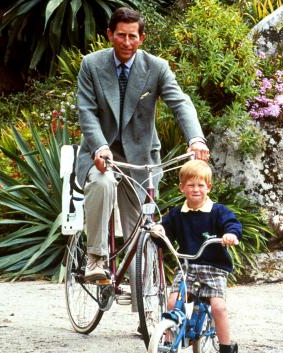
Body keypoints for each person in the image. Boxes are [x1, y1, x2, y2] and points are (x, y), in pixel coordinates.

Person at [75, 7, 209, 285]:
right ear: (110, 34)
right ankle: (96, 258)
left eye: (132, 36)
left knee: (142, 230)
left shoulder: (156, 67)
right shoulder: (91, 64)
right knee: (102, 182)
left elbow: (180, 103)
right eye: (121, 35)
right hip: (101, 153)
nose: (126, 42)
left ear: (142, 38)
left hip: (140, 158)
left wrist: (196, 139)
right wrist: (99, 146)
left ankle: (144, 311)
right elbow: (86, 112)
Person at [153, 160, 241, 353]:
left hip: (214, 267)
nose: (196, 189)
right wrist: (159, 230)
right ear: (182, 188)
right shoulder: (177, 214)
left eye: (200, 185)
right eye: (191, 185)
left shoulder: (217, 212)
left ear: (208, 187)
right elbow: (165, 231)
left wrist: (231, 235)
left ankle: (226, 347)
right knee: (172, 302)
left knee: (218, 307)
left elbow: (232, 224)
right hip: (187, 266)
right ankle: (168, 343)